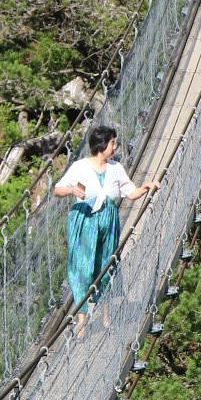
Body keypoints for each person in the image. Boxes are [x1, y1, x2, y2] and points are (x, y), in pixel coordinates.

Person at [54, 124, 161, 318]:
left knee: (106, 266)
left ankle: (105, 317)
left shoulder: (116, 168)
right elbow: (57, 189)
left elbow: (130, 193)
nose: (115, 146)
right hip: (85, 221)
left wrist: (146, 187)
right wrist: (71, 190)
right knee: (83, 269)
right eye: (112, 142)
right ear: (102, 144)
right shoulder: (80, 167)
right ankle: (82, 320)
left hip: (108, 223)